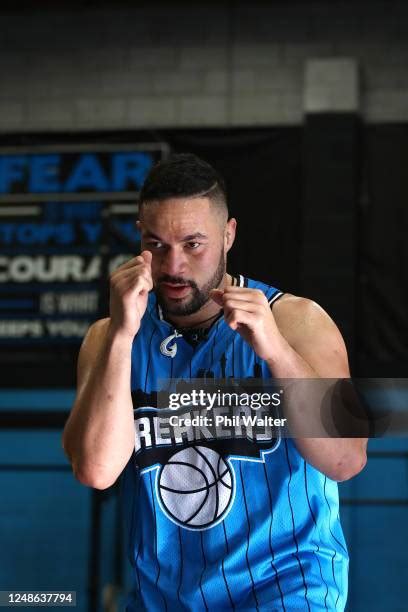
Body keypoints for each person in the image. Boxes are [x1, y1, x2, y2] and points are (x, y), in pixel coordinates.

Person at [62, 153, 368, 611]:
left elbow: (346, 459)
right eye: (157, 244)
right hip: (162, 597)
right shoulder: (109, 337)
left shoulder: (298, 321)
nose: (174, 266)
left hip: (288, 590)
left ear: (229, 235)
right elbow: (96, 470)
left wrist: (276, 352)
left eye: (193, 244)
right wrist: (123, 335)